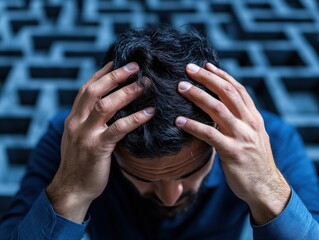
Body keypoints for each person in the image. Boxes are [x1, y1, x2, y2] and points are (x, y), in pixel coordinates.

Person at [0, 25, 319, 240]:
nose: (170, 197)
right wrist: (70, 191)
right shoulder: (74, 142)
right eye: (145, 177)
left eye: (189, 172)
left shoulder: (272, 141)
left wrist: (267, 187)